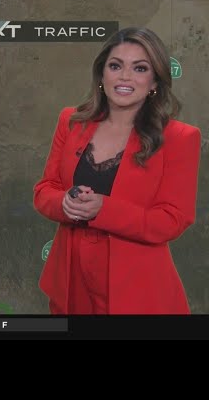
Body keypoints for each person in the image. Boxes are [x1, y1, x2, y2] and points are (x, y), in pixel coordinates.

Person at [33, 26, 201, 314]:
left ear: (154, 81)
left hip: (138, 291)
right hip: (72, 285)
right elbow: (44, 190)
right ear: (102, 74)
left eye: (140, 68)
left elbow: (172, 219)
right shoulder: (71, 121)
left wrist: (103, 209)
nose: (125, 76)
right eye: (115, 66)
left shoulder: (180, 138)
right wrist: (64, 203)